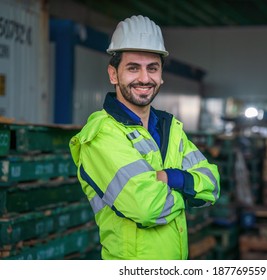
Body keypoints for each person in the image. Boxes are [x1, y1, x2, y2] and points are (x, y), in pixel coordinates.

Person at [69, 15, 220, 260]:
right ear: (113, 74)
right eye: (132, 67)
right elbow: (147, 208)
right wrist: (188, 188)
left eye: (152, 68)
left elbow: (212, 186)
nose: (144, 78)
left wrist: (170, 177)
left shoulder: (171, 128)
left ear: (161, 75)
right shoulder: (101, 135)